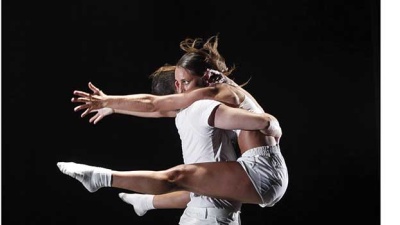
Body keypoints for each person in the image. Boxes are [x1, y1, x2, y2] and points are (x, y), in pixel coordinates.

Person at [59, 35, 288, 222]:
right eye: (178, 82)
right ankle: (145, 202)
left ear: (206, 77)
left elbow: (155, 103)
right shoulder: (210, 96)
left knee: (179, 176)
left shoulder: (213, 94)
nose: (180, 89)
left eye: (185, 82)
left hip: (263, 173)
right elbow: (159, 110)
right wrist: (116, 109)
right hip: (260, 173)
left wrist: (108, 100)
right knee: (196, 187)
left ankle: (101, 178)